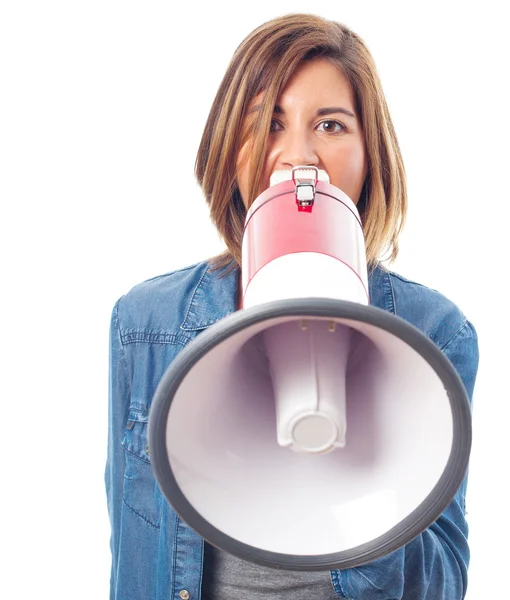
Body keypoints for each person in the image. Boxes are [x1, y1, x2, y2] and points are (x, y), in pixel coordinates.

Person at [106, 13, 479, 600]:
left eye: (330, 124)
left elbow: (444, 583)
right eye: (267, 124)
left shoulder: (433, 332)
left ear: (369, 150)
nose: (296, 155)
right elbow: (130, 556)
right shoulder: (146, 325)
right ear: (228, 147)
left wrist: (371, 491)